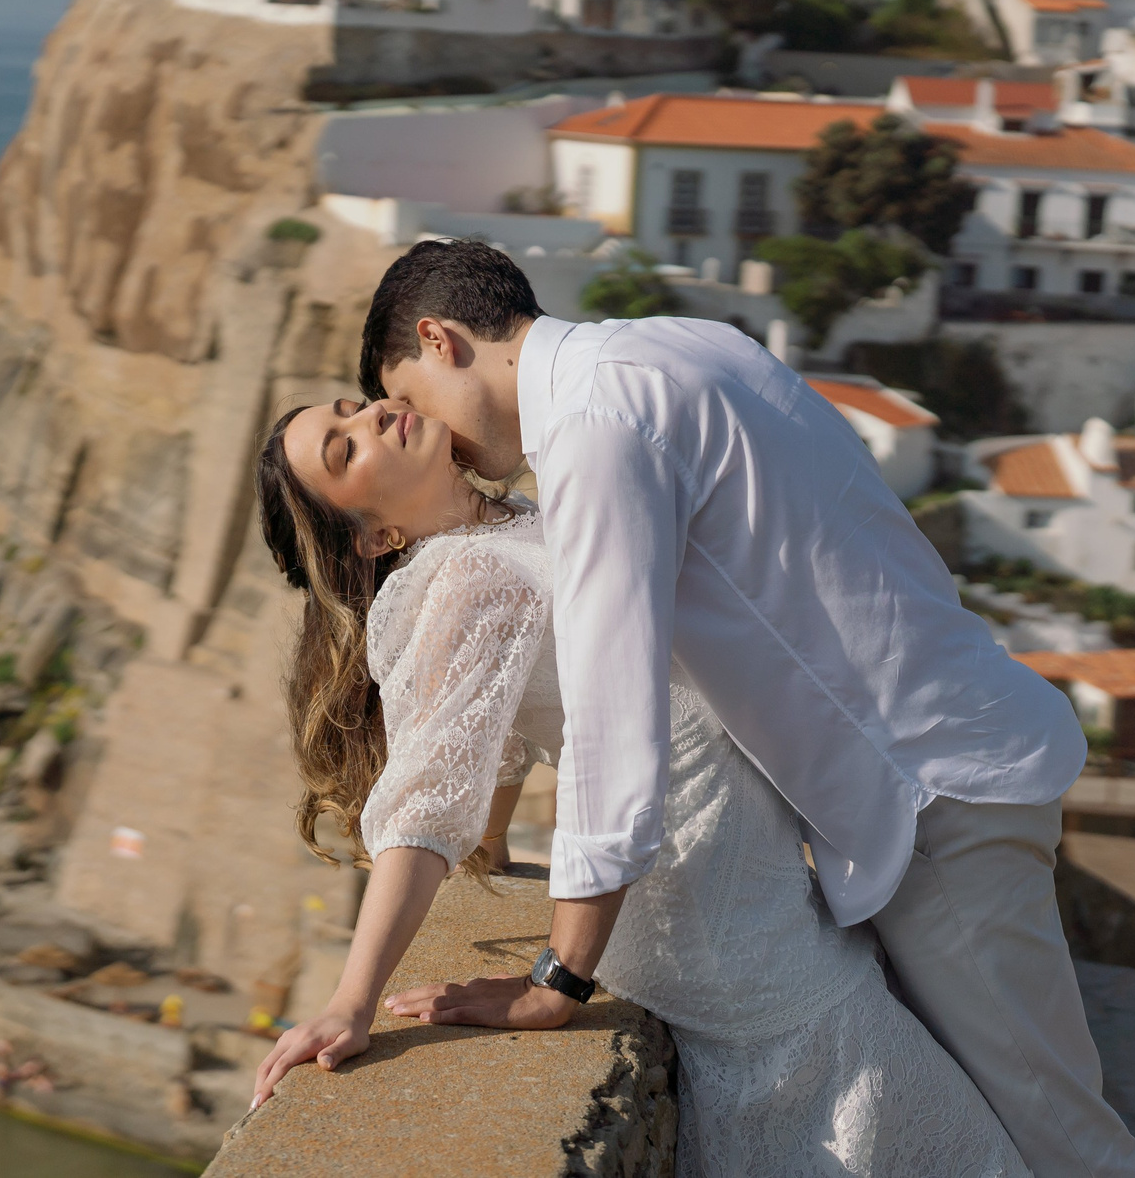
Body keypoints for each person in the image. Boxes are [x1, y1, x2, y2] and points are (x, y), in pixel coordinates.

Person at [349, 240, 1135, 1178]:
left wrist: (557, 978)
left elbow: (616, 717)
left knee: (1061, 1141)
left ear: (440, 339)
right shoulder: (685, 344)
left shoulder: (594, 431)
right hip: (950, 749)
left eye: (410, 399)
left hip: (930, 794)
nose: (427, 430)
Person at [247, 394, 1028, 1175]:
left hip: (751, 895)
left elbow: (495, 742)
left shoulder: (516, 521)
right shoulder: (466, 579)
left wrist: (487, 847)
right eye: (344, 450)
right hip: (715, 924)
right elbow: (425, 805)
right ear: (378, 535)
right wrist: (352, 1002)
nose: (372, 419)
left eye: (353, 408)